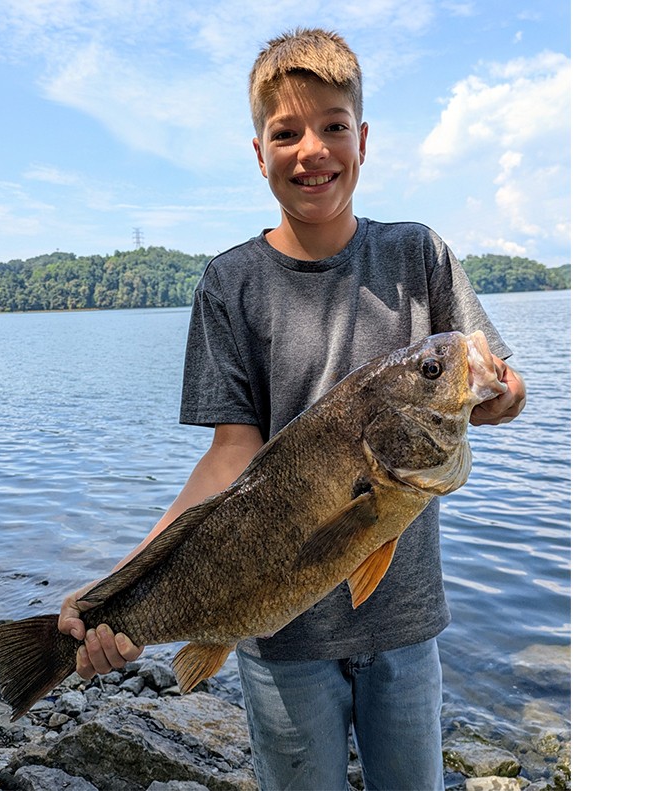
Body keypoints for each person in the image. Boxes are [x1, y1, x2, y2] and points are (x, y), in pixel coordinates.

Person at [58, 27, 526, 790]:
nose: (313, 149)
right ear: (258, 151)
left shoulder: (419, 255)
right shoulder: (230, 284)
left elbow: (497, 388)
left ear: (363, 139)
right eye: (287, 132)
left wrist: (500, 393)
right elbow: (229, 457)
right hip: (272, 641)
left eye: (333, 126)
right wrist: (114, 591)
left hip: (405, 630)